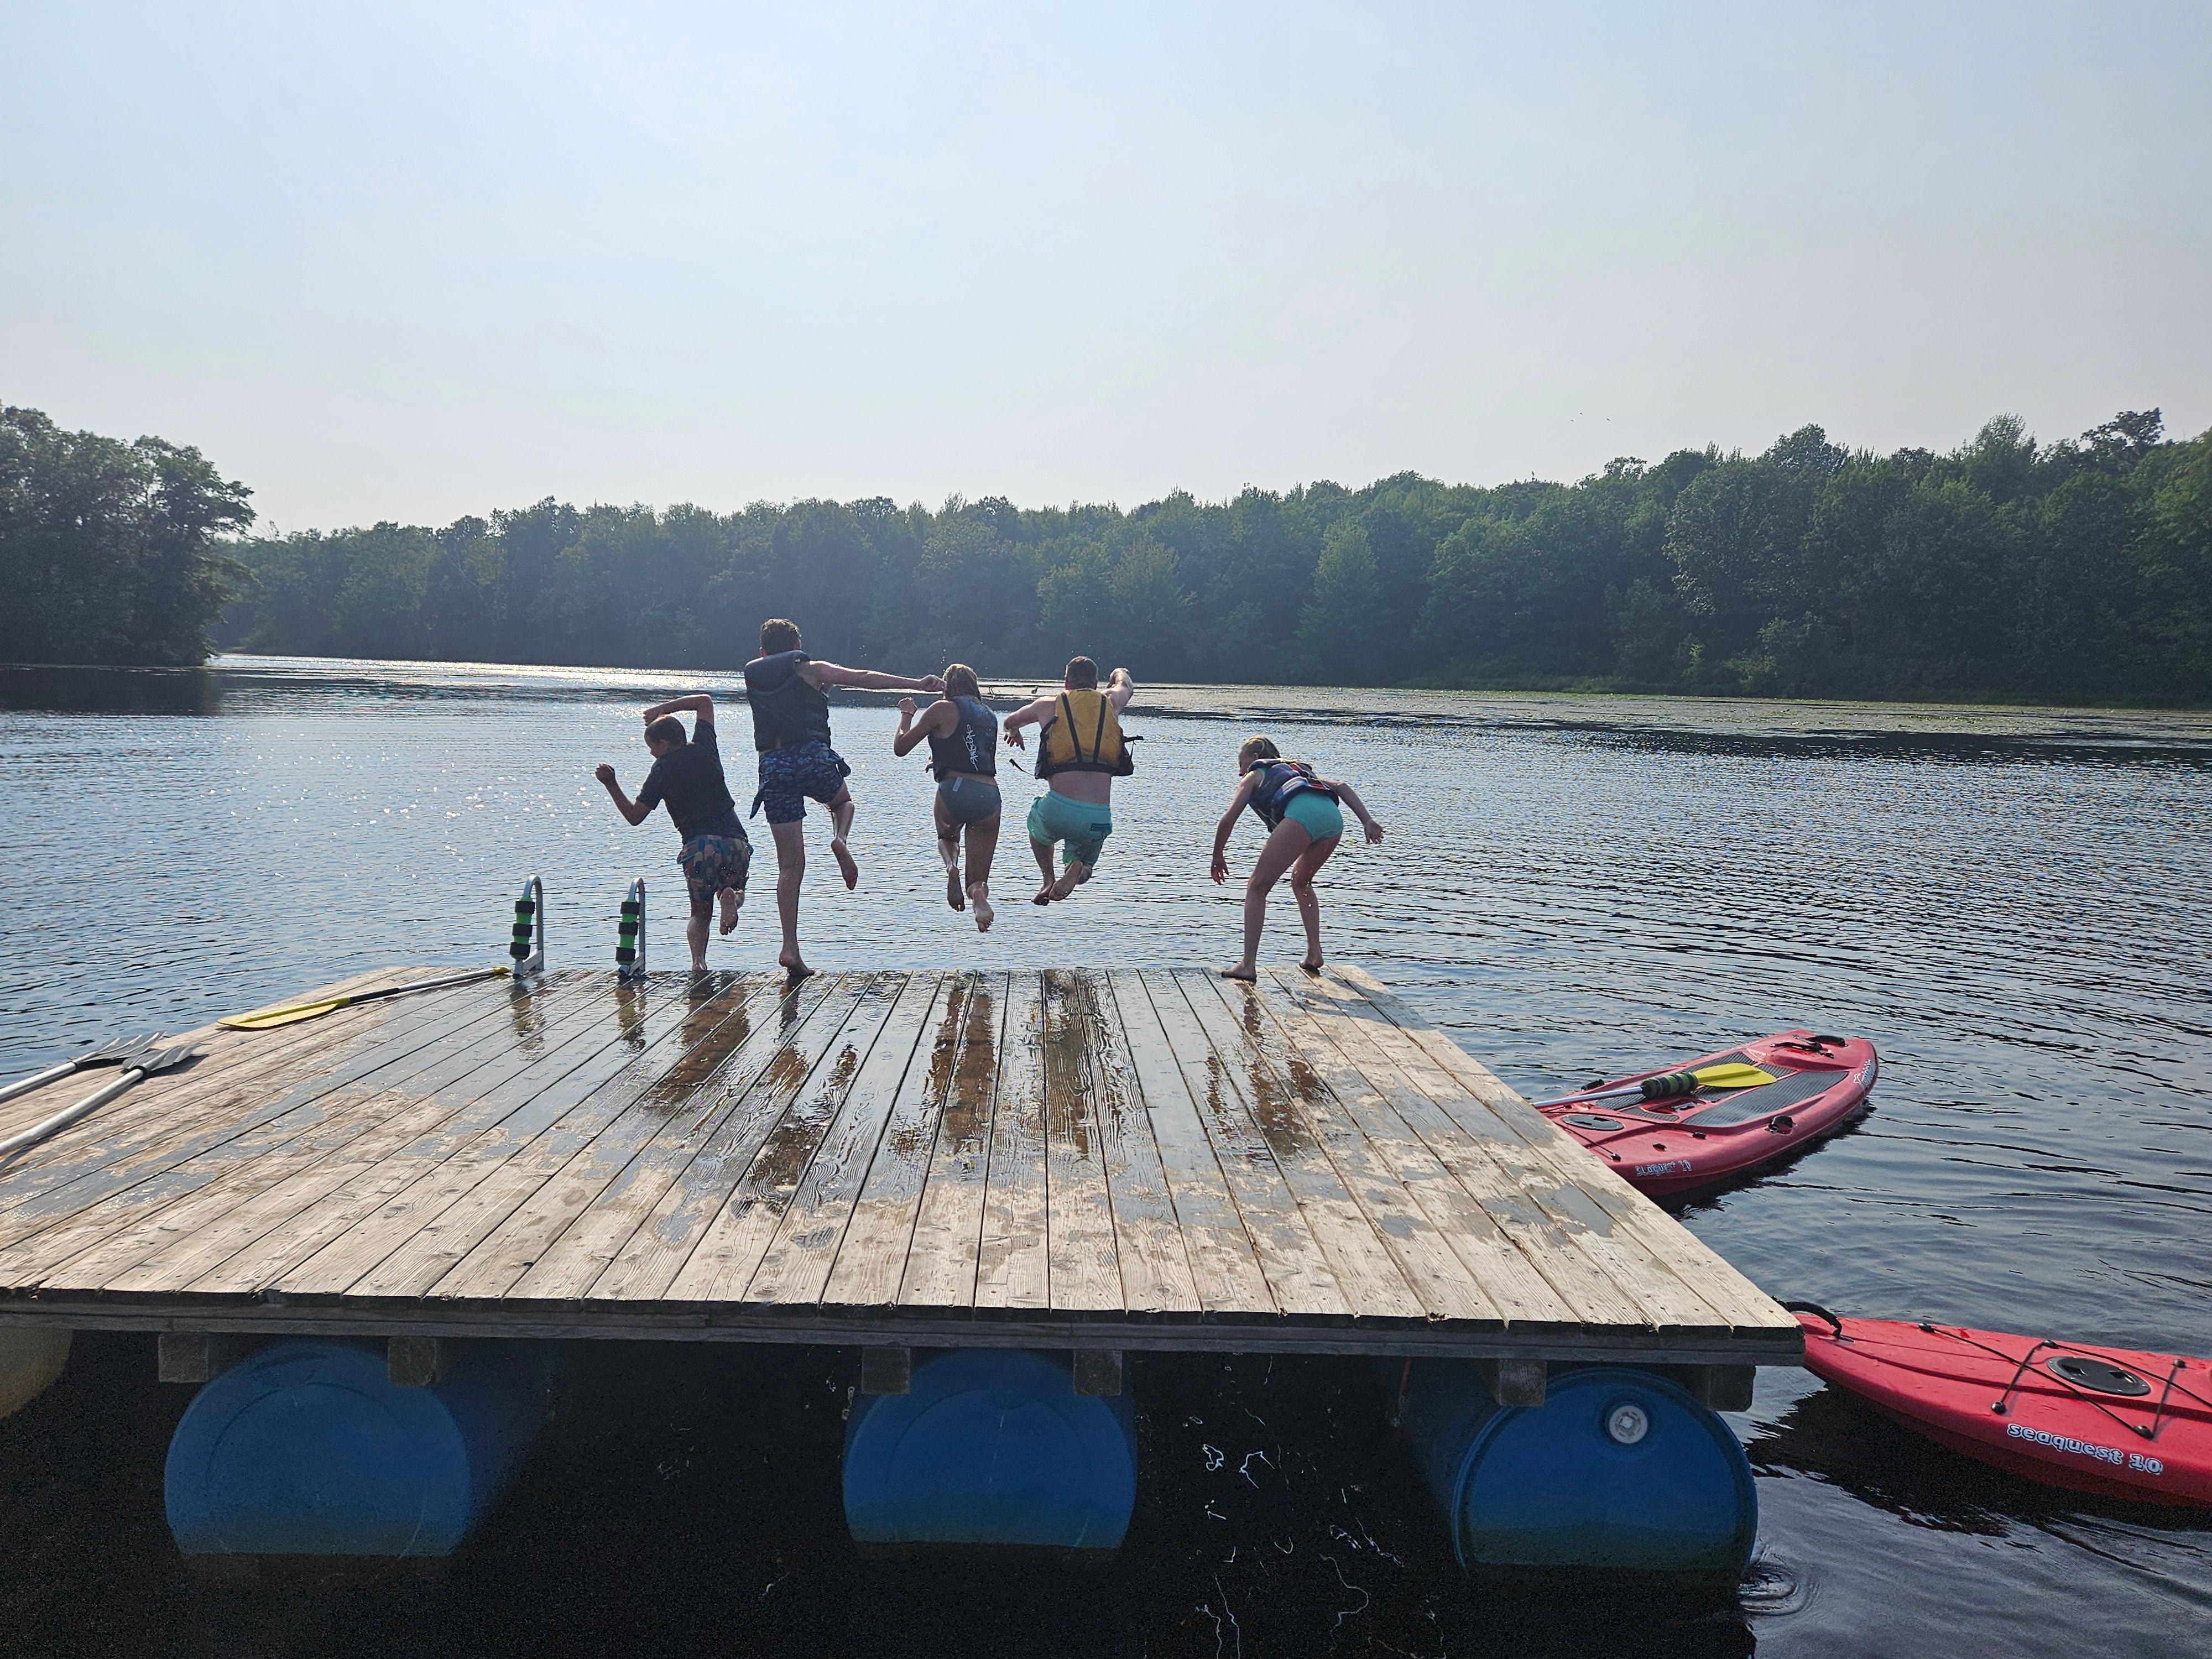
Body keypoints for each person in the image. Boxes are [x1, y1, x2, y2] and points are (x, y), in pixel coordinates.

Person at [742, 618, 943, 977]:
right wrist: (917, 685)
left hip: (773, 768)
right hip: (812, 758)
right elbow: (864, 678)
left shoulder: (756, 676)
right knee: (842, 803)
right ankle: (840, 839)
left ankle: (790, 948)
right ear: (797, 646)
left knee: (790, 866)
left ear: (762, 652)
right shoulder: (812, 669)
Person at [593, 693, 751, 972]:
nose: (651, 753)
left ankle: (699, 964)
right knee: (736, 890)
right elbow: (705, 702)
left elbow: (634, 817)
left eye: (652, 747)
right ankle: (729, 896)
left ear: (664, 745)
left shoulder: (661, 771)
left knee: (700, 914)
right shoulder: (705, 747)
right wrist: (664, 708)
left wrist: (611, 783)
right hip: (735, 842)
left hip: (700, 849)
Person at [1208, 735, 1383, 980]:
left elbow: (1228, 819)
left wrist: (1218, 855)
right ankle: (1314, 954)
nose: (1240, 772)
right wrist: (1367, 820)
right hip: (1333, 820)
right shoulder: (1298, 771)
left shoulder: (1254, 775)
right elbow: (1341, 786)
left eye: (1241, 764)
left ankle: (1248, 965)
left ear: (1256, 758)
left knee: (1257, 887)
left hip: (1303, 815)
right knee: (1302, 882)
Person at [1001, 656, 1136, 905]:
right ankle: (1077, 867)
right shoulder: (1111, 703)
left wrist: (1014, 732)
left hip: (1058, 810)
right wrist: (1119, 672)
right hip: (1098, 817)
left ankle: (1048, 879)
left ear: (1066, 683)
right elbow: (1126, 685)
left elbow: (1010, 722)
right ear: (1096, 684)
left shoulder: (1047, 705)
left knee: (1036, 823)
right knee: (1086, 865)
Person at [892, 664, 1001, 932]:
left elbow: (901, 748)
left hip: (955, 790)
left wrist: (907, 715)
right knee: (978, 876)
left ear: (948, 687)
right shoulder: (989, 715)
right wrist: (937, 759)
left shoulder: (941, 709)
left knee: (948, 837)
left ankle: (952, 867)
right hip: (989, 795)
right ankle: (979, 897)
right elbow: (971, 751)